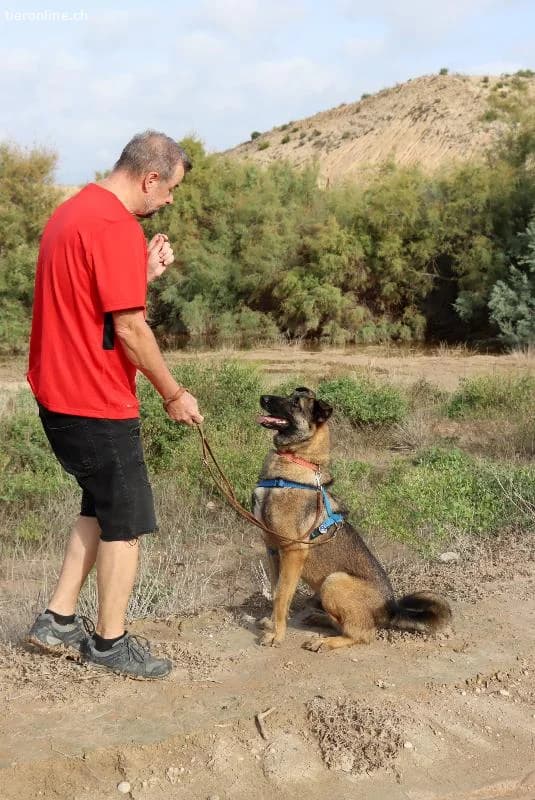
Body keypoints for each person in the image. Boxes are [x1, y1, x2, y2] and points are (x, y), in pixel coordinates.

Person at [26, 130, 203, 679]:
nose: (169, 200)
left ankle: (57, 618)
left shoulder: (74, 211)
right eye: (169, 189)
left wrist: (140, 272)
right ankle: (110, 643)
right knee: (124, 524)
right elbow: (129, 328)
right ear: (150, 177)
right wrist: (173, 393)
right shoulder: (114, 226)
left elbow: (89, 304)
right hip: (96, 402)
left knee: (97, 509)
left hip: (60, 395)